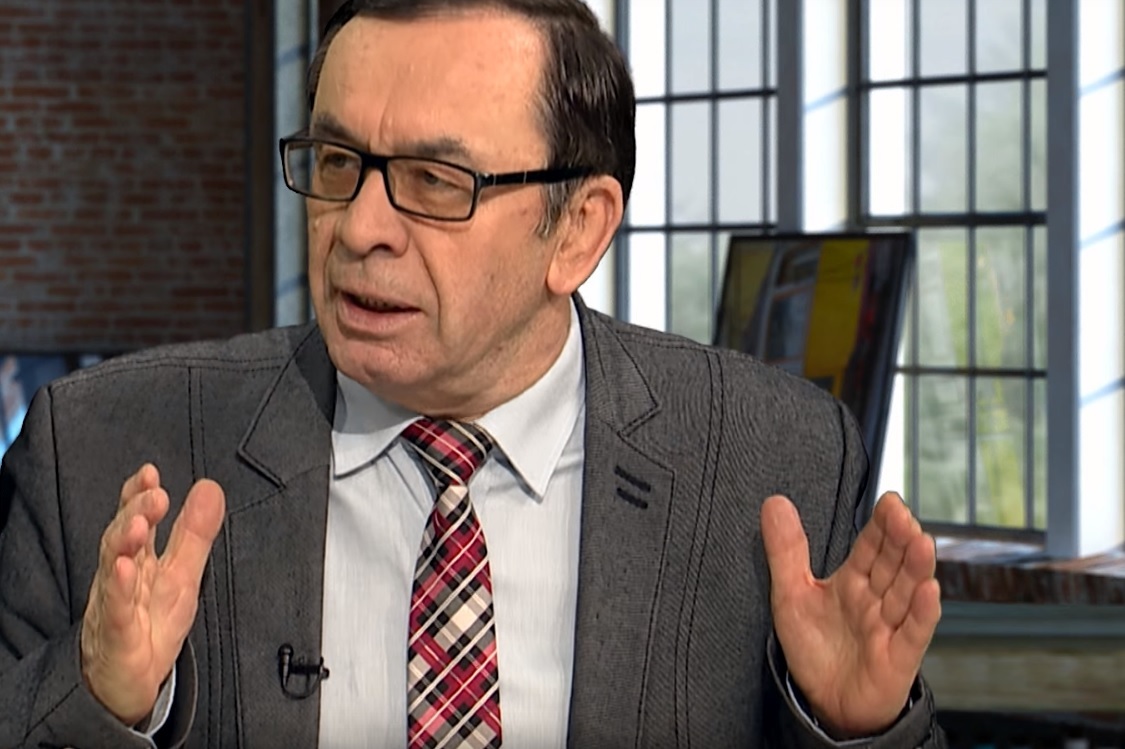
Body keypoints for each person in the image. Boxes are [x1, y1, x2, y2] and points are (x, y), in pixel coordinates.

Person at [0, 1, 946, 746]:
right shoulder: (93, 454)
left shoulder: (776, 464)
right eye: (338, 162)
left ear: (577, 231)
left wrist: (851, 730)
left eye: (434, 182)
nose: (360, 228)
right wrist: (102, 702)